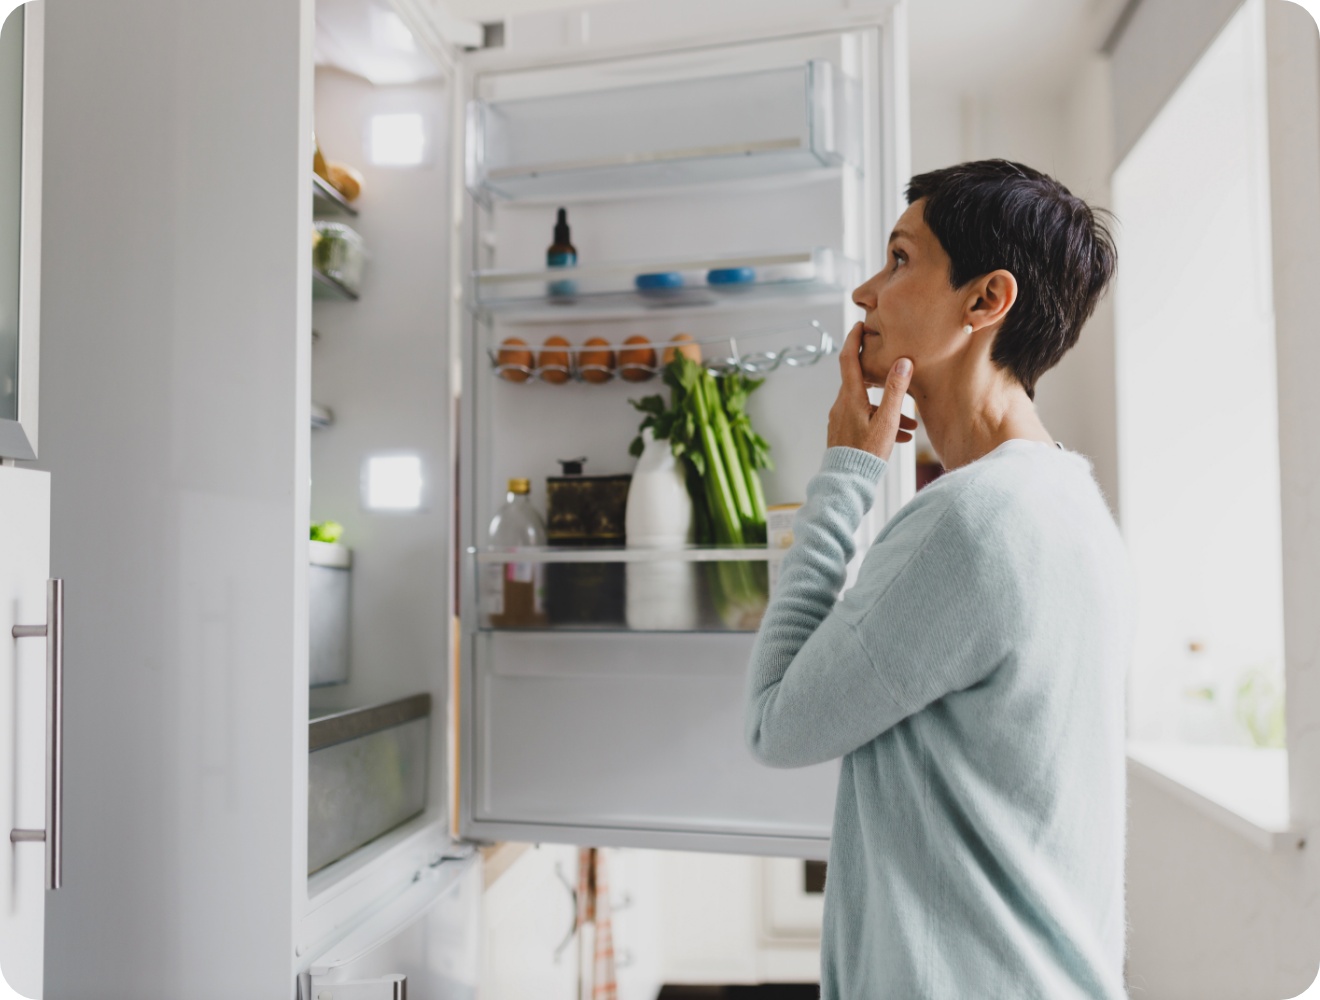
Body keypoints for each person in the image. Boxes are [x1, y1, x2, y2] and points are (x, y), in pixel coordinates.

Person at [744, 159, 1133, 999]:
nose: (865, 293)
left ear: (985, 301)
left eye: (899, 260)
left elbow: (775, 723)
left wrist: (847, 471)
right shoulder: (1070, 500)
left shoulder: (972, 522)